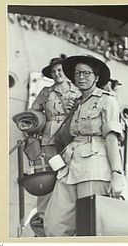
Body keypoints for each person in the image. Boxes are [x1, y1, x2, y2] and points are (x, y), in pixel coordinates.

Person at [43, 55, 125, 236]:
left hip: (95, 167)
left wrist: (117, 174)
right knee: (54, 225)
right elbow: (64, 137)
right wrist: (68, 112)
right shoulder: (76, 103)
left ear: (96, 77)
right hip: (69, 165)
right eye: (78, 73)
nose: (81, 76)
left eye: (86, 73)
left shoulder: (107, 100)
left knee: (91, 226)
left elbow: (112, 138)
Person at [28, 56, 81, 236]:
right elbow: (34, 111)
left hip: (70, 138)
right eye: (54, 71)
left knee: (68, 178)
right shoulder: (46, 92)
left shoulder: (78, 91)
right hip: (50, 138)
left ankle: (67, 222)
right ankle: (42, 218)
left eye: (60, 70)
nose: (57, 73)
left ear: (66, 72)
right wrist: (36, 126)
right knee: (47, 177)